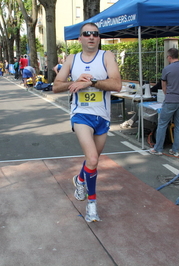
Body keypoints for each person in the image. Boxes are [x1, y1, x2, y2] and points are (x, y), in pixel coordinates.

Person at [53, 22, 121, 222]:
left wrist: (91, 82)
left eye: (95, 34)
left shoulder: (106, 56)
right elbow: (56, 86)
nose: (91, 37)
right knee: (92, 159)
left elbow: (116, 84)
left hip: (103, 117)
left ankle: (80, 179)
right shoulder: (72, 60)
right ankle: (92, 205)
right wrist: (74, 83)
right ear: (80, 38)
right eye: (87, 34)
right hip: (81, 114)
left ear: (99, 38)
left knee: (93, 161)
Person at [147, 48, 179, 157]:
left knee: (162, 124)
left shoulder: (167, 69)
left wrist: (169, 94)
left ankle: (158, 148)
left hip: (171, 100)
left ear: (169, 57)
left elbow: (164, 87)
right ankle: (176, 150)